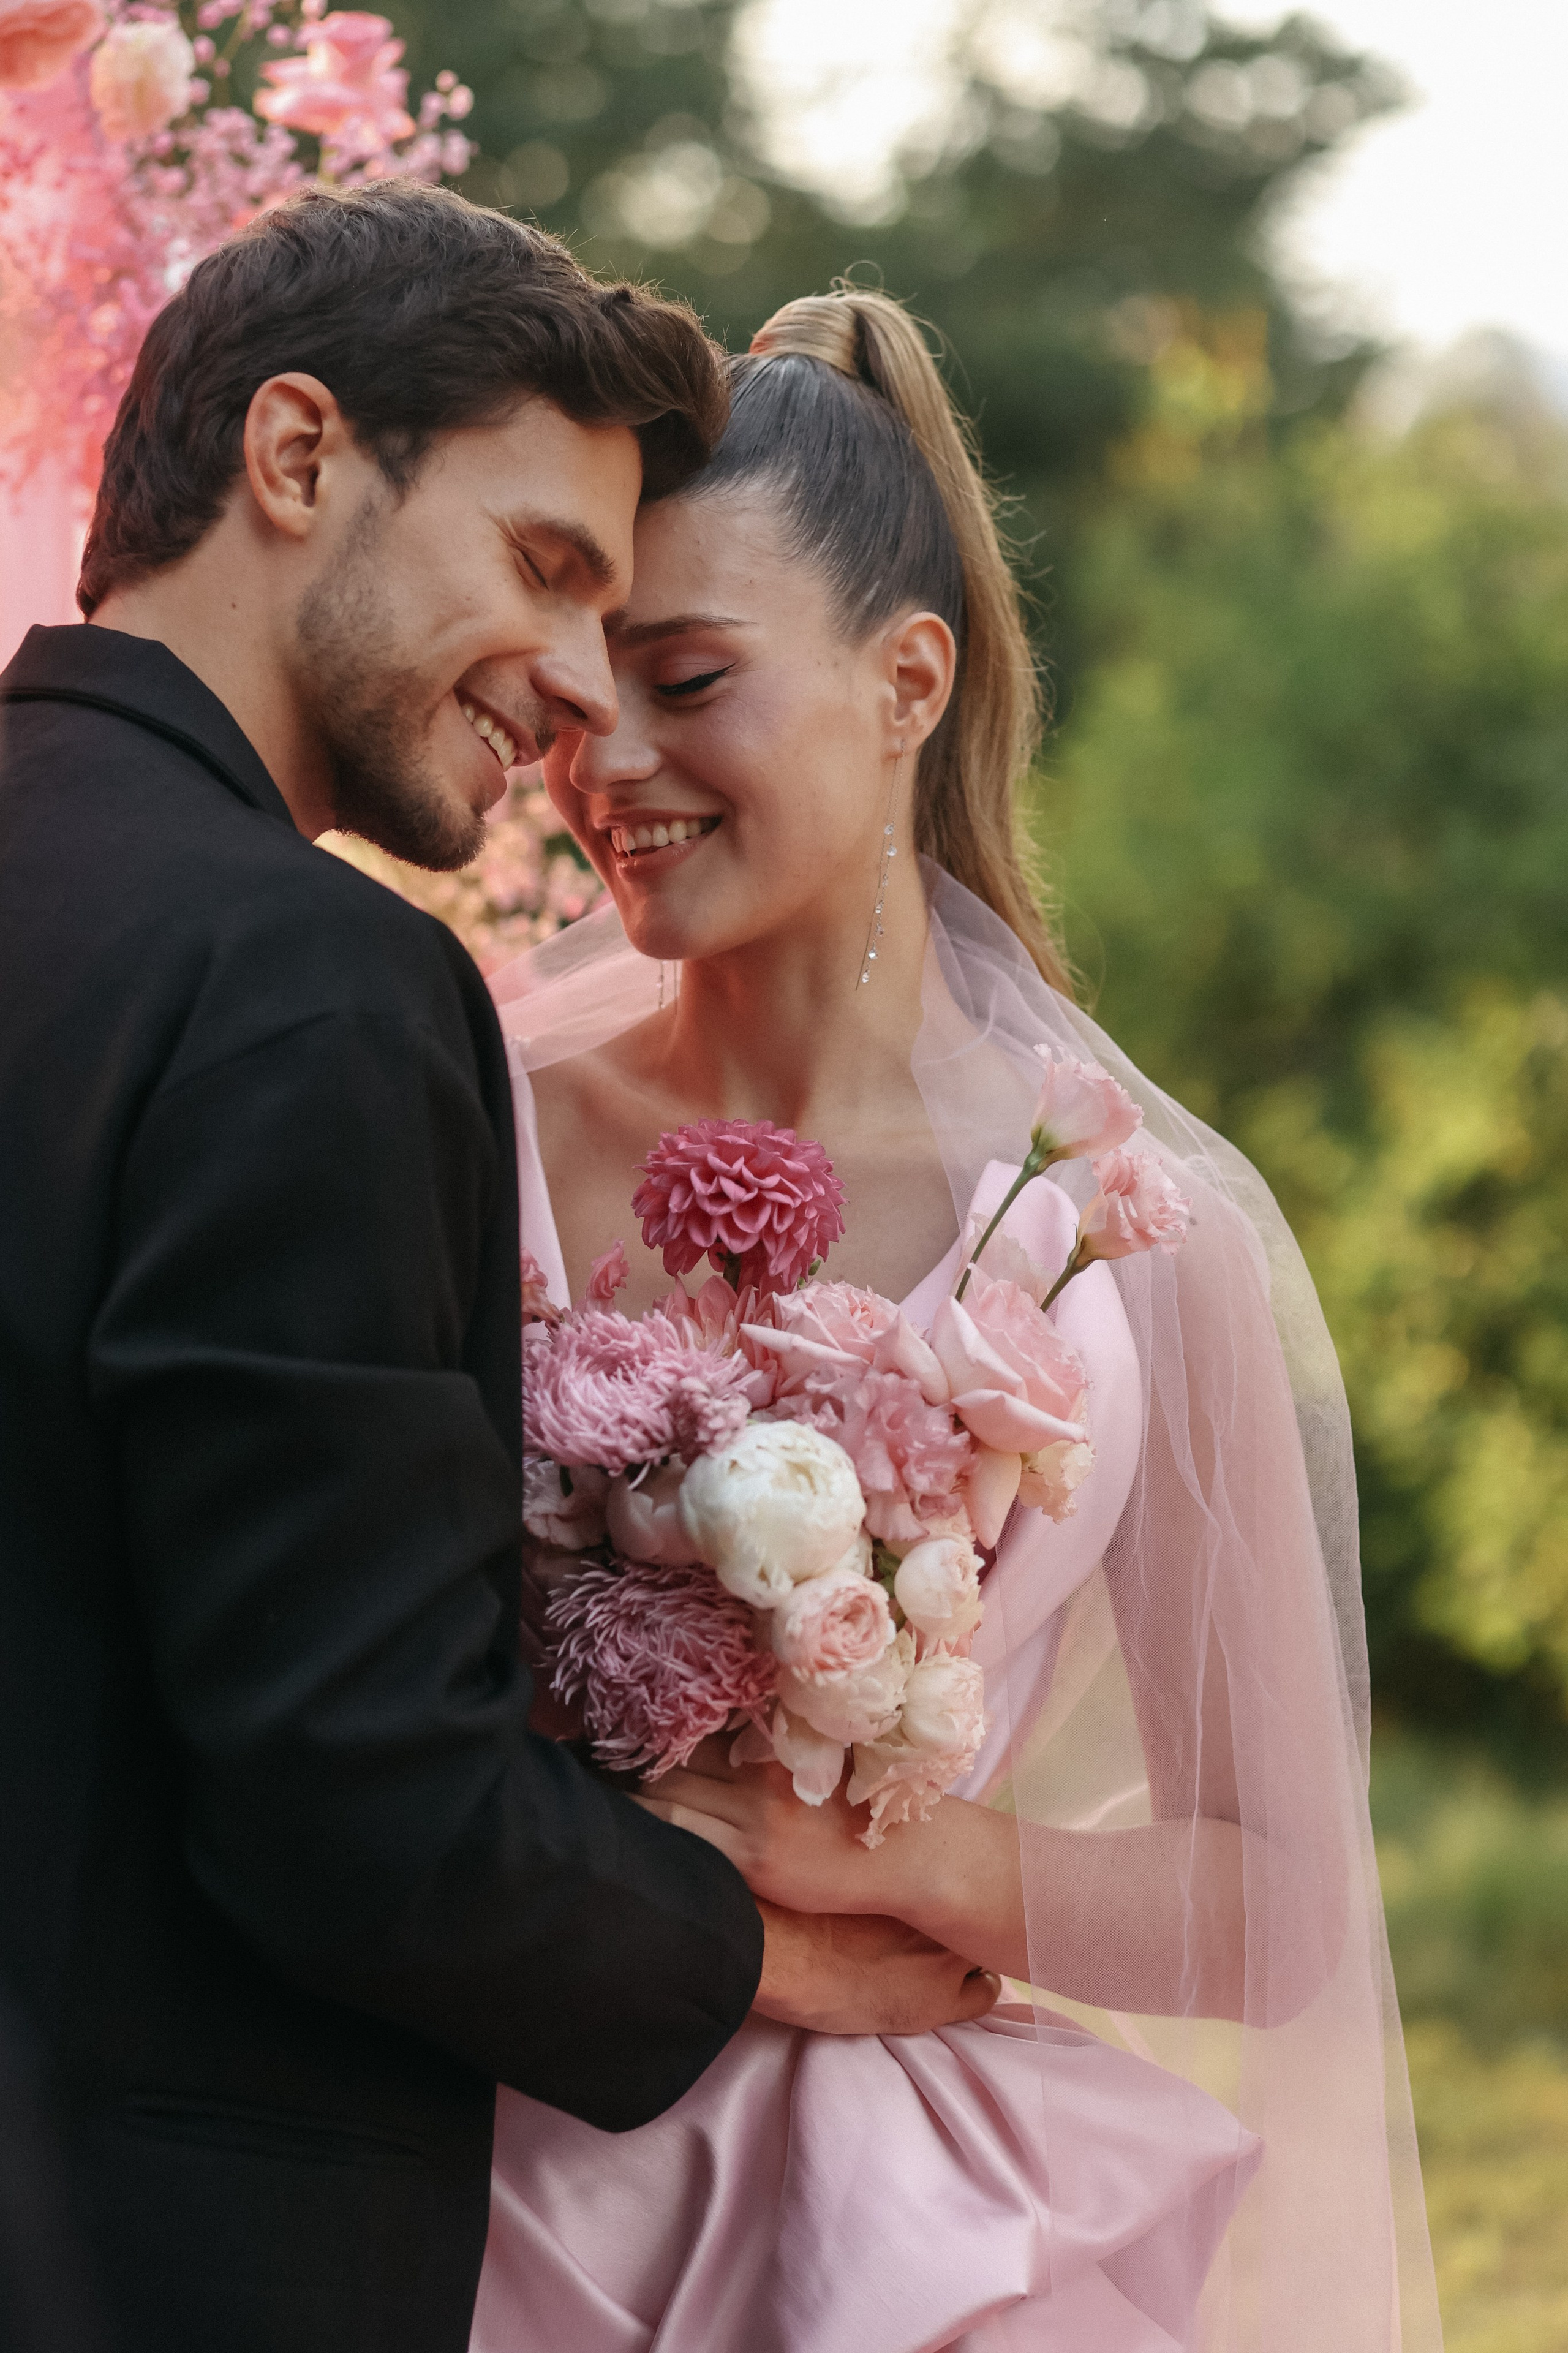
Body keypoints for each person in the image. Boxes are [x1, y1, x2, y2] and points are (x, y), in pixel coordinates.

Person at [0, 191, 995, 2353]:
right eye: (544, 566)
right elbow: (344, 1775)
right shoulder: (314, 988)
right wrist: (750, 1952)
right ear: (294, 458)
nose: (567, 695)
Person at [477, 289, 1444, 2351]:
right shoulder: (457, 1125)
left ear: (908, 676)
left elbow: (1277, 1897)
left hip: (919, 2229)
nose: (600, 762)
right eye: (569, 696)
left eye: (686, 680)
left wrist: (903, 1868)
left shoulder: (1122, 1235)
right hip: (492, 2178)